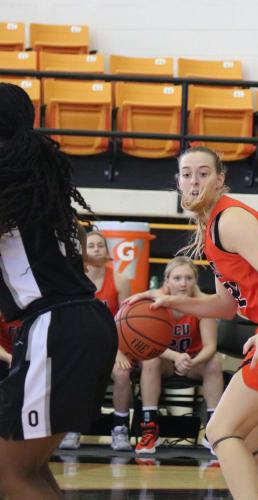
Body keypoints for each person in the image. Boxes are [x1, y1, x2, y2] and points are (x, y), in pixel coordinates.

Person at [126, 146, 258, 500]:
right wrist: (171, 300)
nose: (194, 181)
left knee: (221, 432)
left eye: (204, 173)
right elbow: (225, 306)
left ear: (220, 180)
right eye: (187, 173)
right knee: (252, 440)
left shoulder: (230, 220)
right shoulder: (212, 230)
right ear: (178, 182)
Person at [0, 83, 117, 500]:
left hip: (57, 327)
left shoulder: (8, 190)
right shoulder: (32, 184)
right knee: (26, 468)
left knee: (8, 475)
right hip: (79, 323)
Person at [132, 256, 224, 454]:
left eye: (189, 278)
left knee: (214, 361)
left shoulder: (202, 304)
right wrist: (175, 357)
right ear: (167, 280)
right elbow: (148, 343)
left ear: (195, 280)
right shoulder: (155, 301)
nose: (183, 283)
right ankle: (149, 428)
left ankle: (214, 431)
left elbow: (210, 346)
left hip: (192, 363)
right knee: (150, 359)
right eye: (177, 278)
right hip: (163, 361)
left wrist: (191, 361)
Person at [59, 231, 132, 451]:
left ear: (108, 251)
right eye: (91, 246)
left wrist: (118, 350)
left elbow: (125, 322)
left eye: (101, 245)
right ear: (83, 252)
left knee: (122, 373)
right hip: (82, 346)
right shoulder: (73, 279)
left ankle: (120, 428)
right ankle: (73, 427)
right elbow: (70, 321)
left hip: (112, 346)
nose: (97, 249)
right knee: (76, 370)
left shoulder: (120, 279)